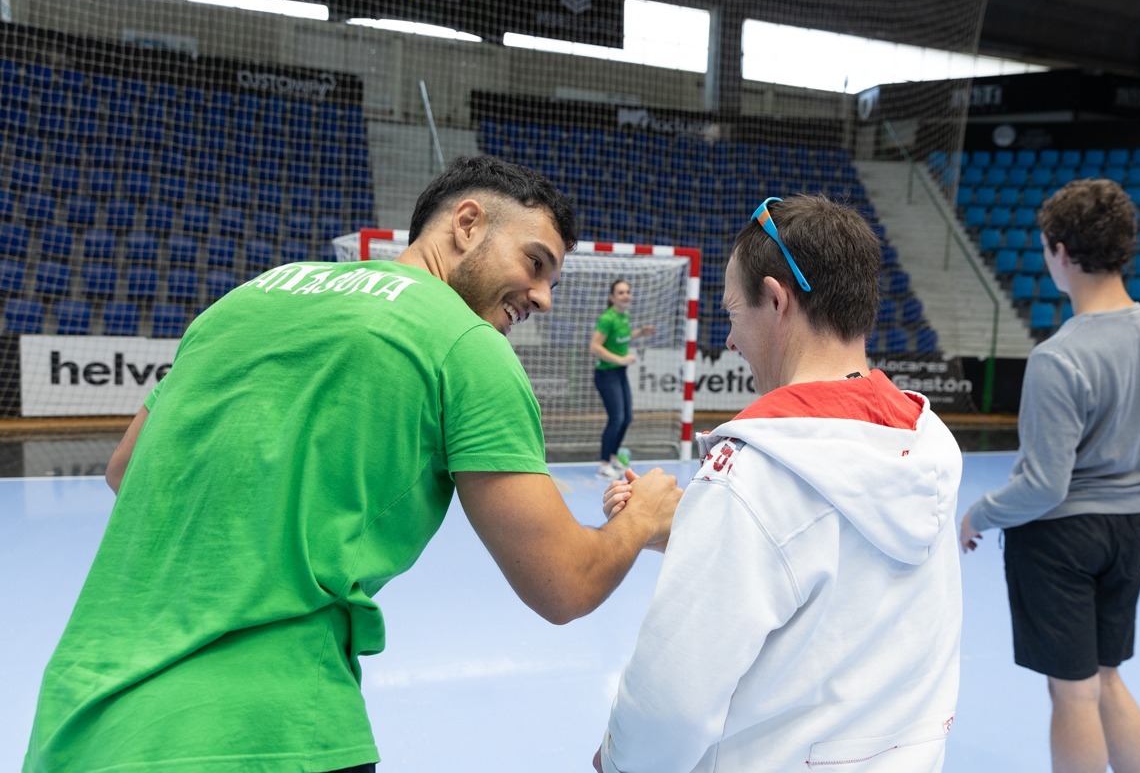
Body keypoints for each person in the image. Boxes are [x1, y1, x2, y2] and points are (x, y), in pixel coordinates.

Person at [24, 155, 682, 773]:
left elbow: (124, 468)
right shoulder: (467, 344)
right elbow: (564, 583)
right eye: (535, 263)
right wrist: (643, 518)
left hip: (80, 714)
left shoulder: (247, 298)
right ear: (468, 223)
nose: (542, 297)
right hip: (263, 731)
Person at [594, 194, 964, 772]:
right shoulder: (928, 437)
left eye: (734, 314)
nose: (731, 342)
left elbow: (672, 700)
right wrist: (701, 530)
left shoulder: (755, 474)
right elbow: (837, 568)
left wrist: (619, 759)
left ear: (775, 299)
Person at [960, 178, 1140, 773]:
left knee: (1072, 691)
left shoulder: (1059, 356)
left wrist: (977, 514)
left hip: (1060, 540)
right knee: (1108, 678)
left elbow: (1043, 486)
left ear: (1059, 251)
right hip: (1130, 530)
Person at [590, 279, 655, 480]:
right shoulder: (607, 318)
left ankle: (614, 456)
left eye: (628, 291)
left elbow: (621, 338)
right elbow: (594, 347)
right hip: (606, 375)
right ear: (612, 297)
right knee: (616, 418)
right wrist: (621, 359)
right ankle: (604, 464)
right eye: (620, 292)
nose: (626, 295)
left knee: (627, 418)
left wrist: (640, 332)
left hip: (619, 373)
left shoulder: (624, 316)